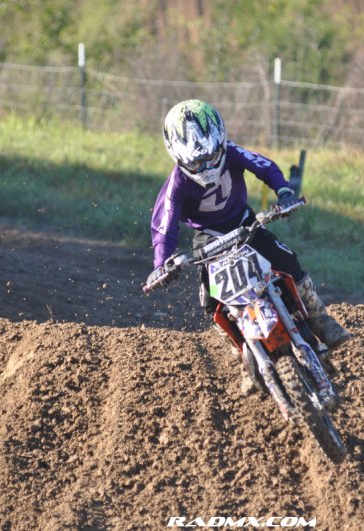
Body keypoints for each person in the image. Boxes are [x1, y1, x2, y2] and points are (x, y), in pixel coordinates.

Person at [147, 99, 350, 362]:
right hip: (208, 240)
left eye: (211, 158)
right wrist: (161, 264)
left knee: (286, 259)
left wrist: (284, 191)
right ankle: (243, 353)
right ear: (179, 158)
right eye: (197, 164)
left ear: (221, 144)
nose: (207, 168)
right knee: (210, 300)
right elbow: (164, 225)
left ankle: (318, 317)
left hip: (245, 224)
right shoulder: (177, 183)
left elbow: (263, 165)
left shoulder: (232, 152)